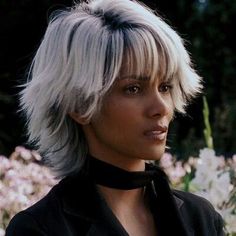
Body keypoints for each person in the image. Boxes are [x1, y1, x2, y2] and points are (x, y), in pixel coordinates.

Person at [6, 0, 225, 235]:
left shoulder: (201, 219)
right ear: (79, 105)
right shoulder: (40, 229)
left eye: (165, 87)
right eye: (133, 89)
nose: (161, 107)